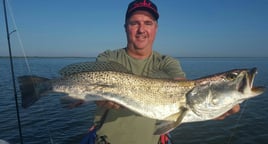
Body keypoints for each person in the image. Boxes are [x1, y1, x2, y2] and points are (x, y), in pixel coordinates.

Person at [89, 0, 240, 143]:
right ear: (125, 27)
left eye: (148, 23)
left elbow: (181, 87)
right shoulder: (108, 58)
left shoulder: (167, 63)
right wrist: (98, 97)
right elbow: (93, 90)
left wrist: (209, 108)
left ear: (156, 28)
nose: (141, 29)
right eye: (134, 23)